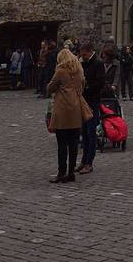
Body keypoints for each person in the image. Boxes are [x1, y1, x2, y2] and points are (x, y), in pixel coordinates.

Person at [46, 48, 85, 183]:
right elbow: (82, 85)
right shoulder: (79, 70)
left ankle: (61, 172)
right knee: (73, 144)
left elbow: (50, 87)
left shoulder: (61, 71)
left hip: (62, 109)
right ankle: (71, 172)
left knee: (62, 144)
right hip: (76, 108)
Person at [77, 40, 105, 174]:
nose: (83, 57)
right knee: (84, 133)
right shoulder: (84, 62)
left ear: (90, 52)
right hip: (84, 101)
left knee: (91, 132)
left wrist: (87, 87)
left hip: (93, 101)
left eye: (84, 55)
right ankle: (84, 160)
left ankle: (89, 162)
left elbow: (100, 83)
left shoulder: (98, 63)